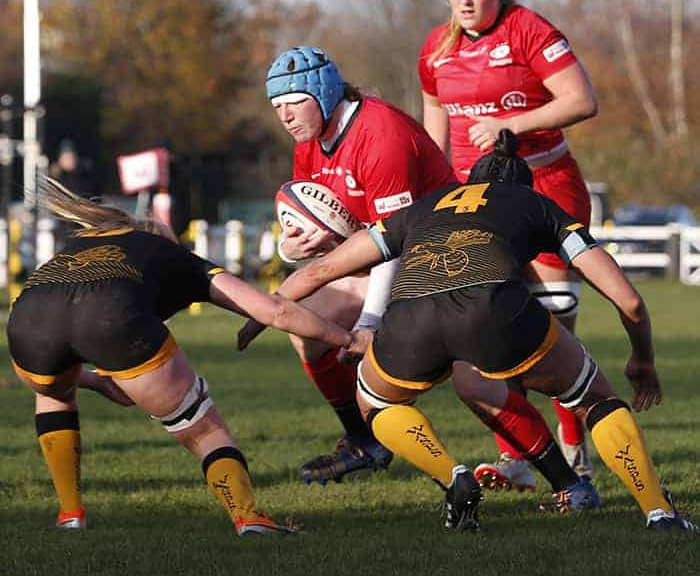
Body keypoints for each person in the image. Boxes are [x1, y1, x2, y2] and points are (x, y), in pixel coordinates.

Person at [261, 134, 697, 533]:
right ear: (524, 187)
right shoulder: (537, 205)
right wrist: (643, 359)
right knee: (593, 399)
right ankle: (660, 513)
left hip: (413, 317)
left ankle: (453, 474)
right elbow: (630, 301)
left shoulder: (425, 206)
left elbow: (322, 268)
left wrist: (263, 310)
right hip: (495, 312)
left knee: (376, 402)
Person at [245, 47, 601, 506]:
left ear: (322, 91)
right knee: (307, 325)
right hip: (395, 261)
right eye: (277, 107)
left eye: (293, 102)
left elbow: (391, 240)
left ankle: (569, 481)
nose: (285, 116)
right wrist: (290, 248)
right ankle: (364, 440)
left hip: (446, 263)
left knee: (476, 385)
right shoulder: (309, 146)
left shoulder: (381, 133)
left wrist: (370, 322)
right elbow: (334, 232)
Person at [7, 177, 355, 535]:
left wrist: (95, 381)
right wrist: (344, 337)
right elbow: (276, 312)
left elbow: (64, 319)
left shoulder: (78, 244)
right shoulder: (175, 256)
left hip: (25, 325)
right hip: (112, 318)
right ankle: (248, 516)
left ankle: (70, 514)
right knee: (203, 429)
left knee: (51, 393)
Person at [418, 0, 599, 488]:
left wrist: (511, 127)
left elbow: (581, 98)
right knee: (488, 328)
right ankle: (517, 457)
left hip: (545, 185)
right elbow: (435, 130)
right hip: (479, 203)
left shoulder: (529, 30)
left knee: (554, 320)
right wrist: (434, 193)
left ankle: (574, 447)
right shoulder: (435, 49)